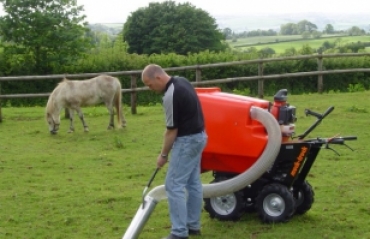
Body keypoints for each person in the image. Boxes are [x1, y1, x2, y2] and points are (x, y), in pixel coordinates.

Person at [141, 64, 208, 239]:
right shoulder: (182, 81)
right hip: (200, 136)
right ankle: (193, 225)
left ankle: (179, 232)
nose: (150, 89)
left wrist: (163, 155)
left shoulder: (170, 95)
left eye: (149, 84)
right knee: (193, 182)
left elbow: (171, 130)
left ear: (158, 78)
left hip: (187, 141)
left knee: (173, 184)